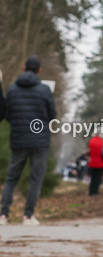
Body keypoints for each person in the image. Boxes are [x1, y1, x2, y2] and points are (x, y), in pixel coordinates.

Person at [0, 56, 57, 225]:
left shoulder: (12, 90)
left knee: (12, 177)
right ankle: (28, 216)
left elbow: (6, 114)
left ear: (24, 68)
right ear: (39, 70)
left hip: (18, 139)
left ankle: (3, 215)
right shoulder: (45, 90)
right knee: (35, 178)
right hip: (40, 141)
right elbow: (52, 114)